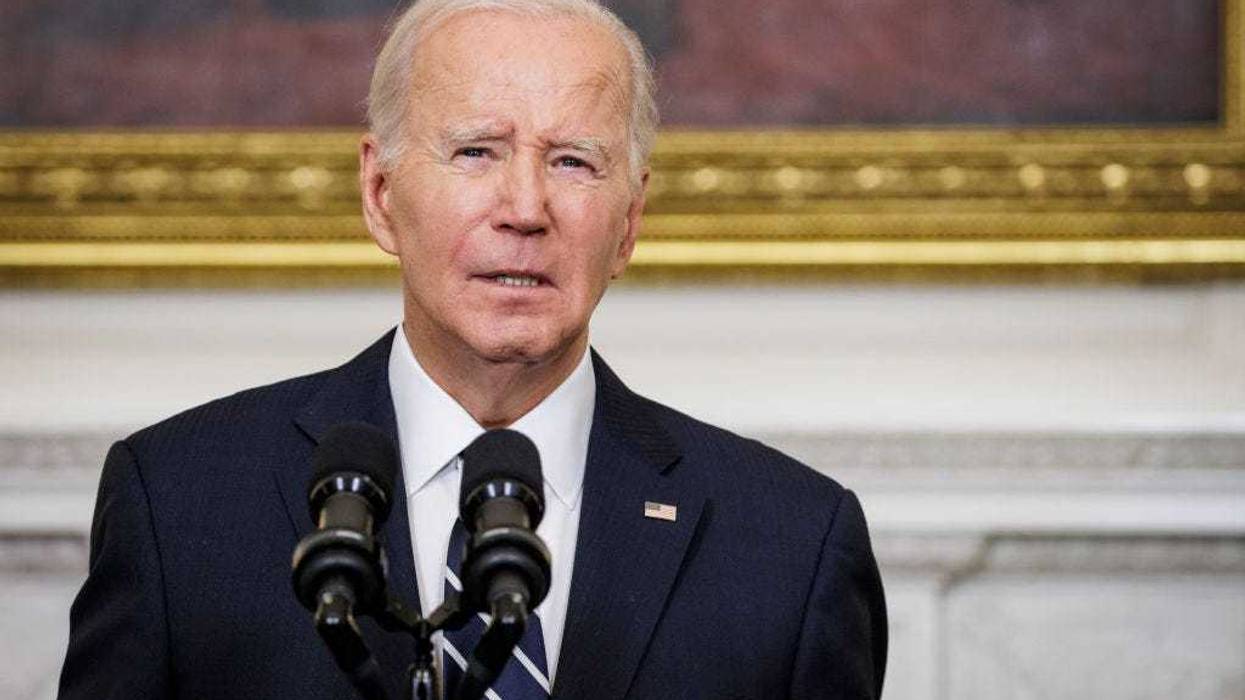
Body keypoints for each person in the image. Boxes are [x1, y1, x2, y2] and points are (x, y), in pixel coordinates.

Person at [58, 1, 887, 698]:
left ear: (629, 222)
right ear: (380, 194)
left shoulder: (793, 546)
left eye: (572, 161)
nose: (523, 208)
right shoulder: (177, 504)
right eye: (475, 152)